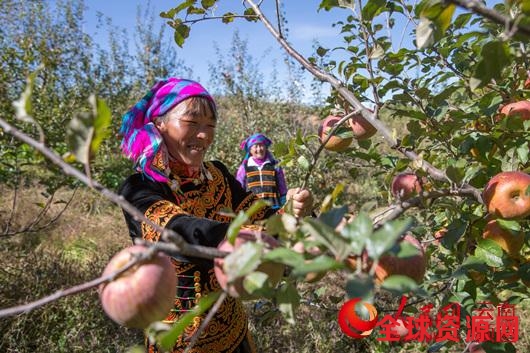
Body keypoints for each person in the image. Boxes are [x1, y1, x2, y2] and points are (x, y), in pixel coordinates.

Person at [118, 77, 313, 353]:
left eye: (210, 125)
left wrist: (294, 212)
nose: (204, 134)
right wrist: (245, 238)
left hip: (234, 333)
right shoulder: (138, 189)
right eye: (192, 122)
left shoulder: (218, 175)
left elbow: (258, 215)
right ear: (159, 124)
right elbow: (177, 231)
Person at [235, 133, 287, 210]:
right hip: (252, 210)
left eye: (261, 145)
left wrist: (284, 203)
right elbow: (238, 188)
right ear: (250, 150)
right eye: (256, 146)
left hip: (274, 208)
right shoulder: (244, 168)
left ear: (265, 147)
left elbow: (282, 187)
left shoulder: (274, 165)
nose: (259, 149)